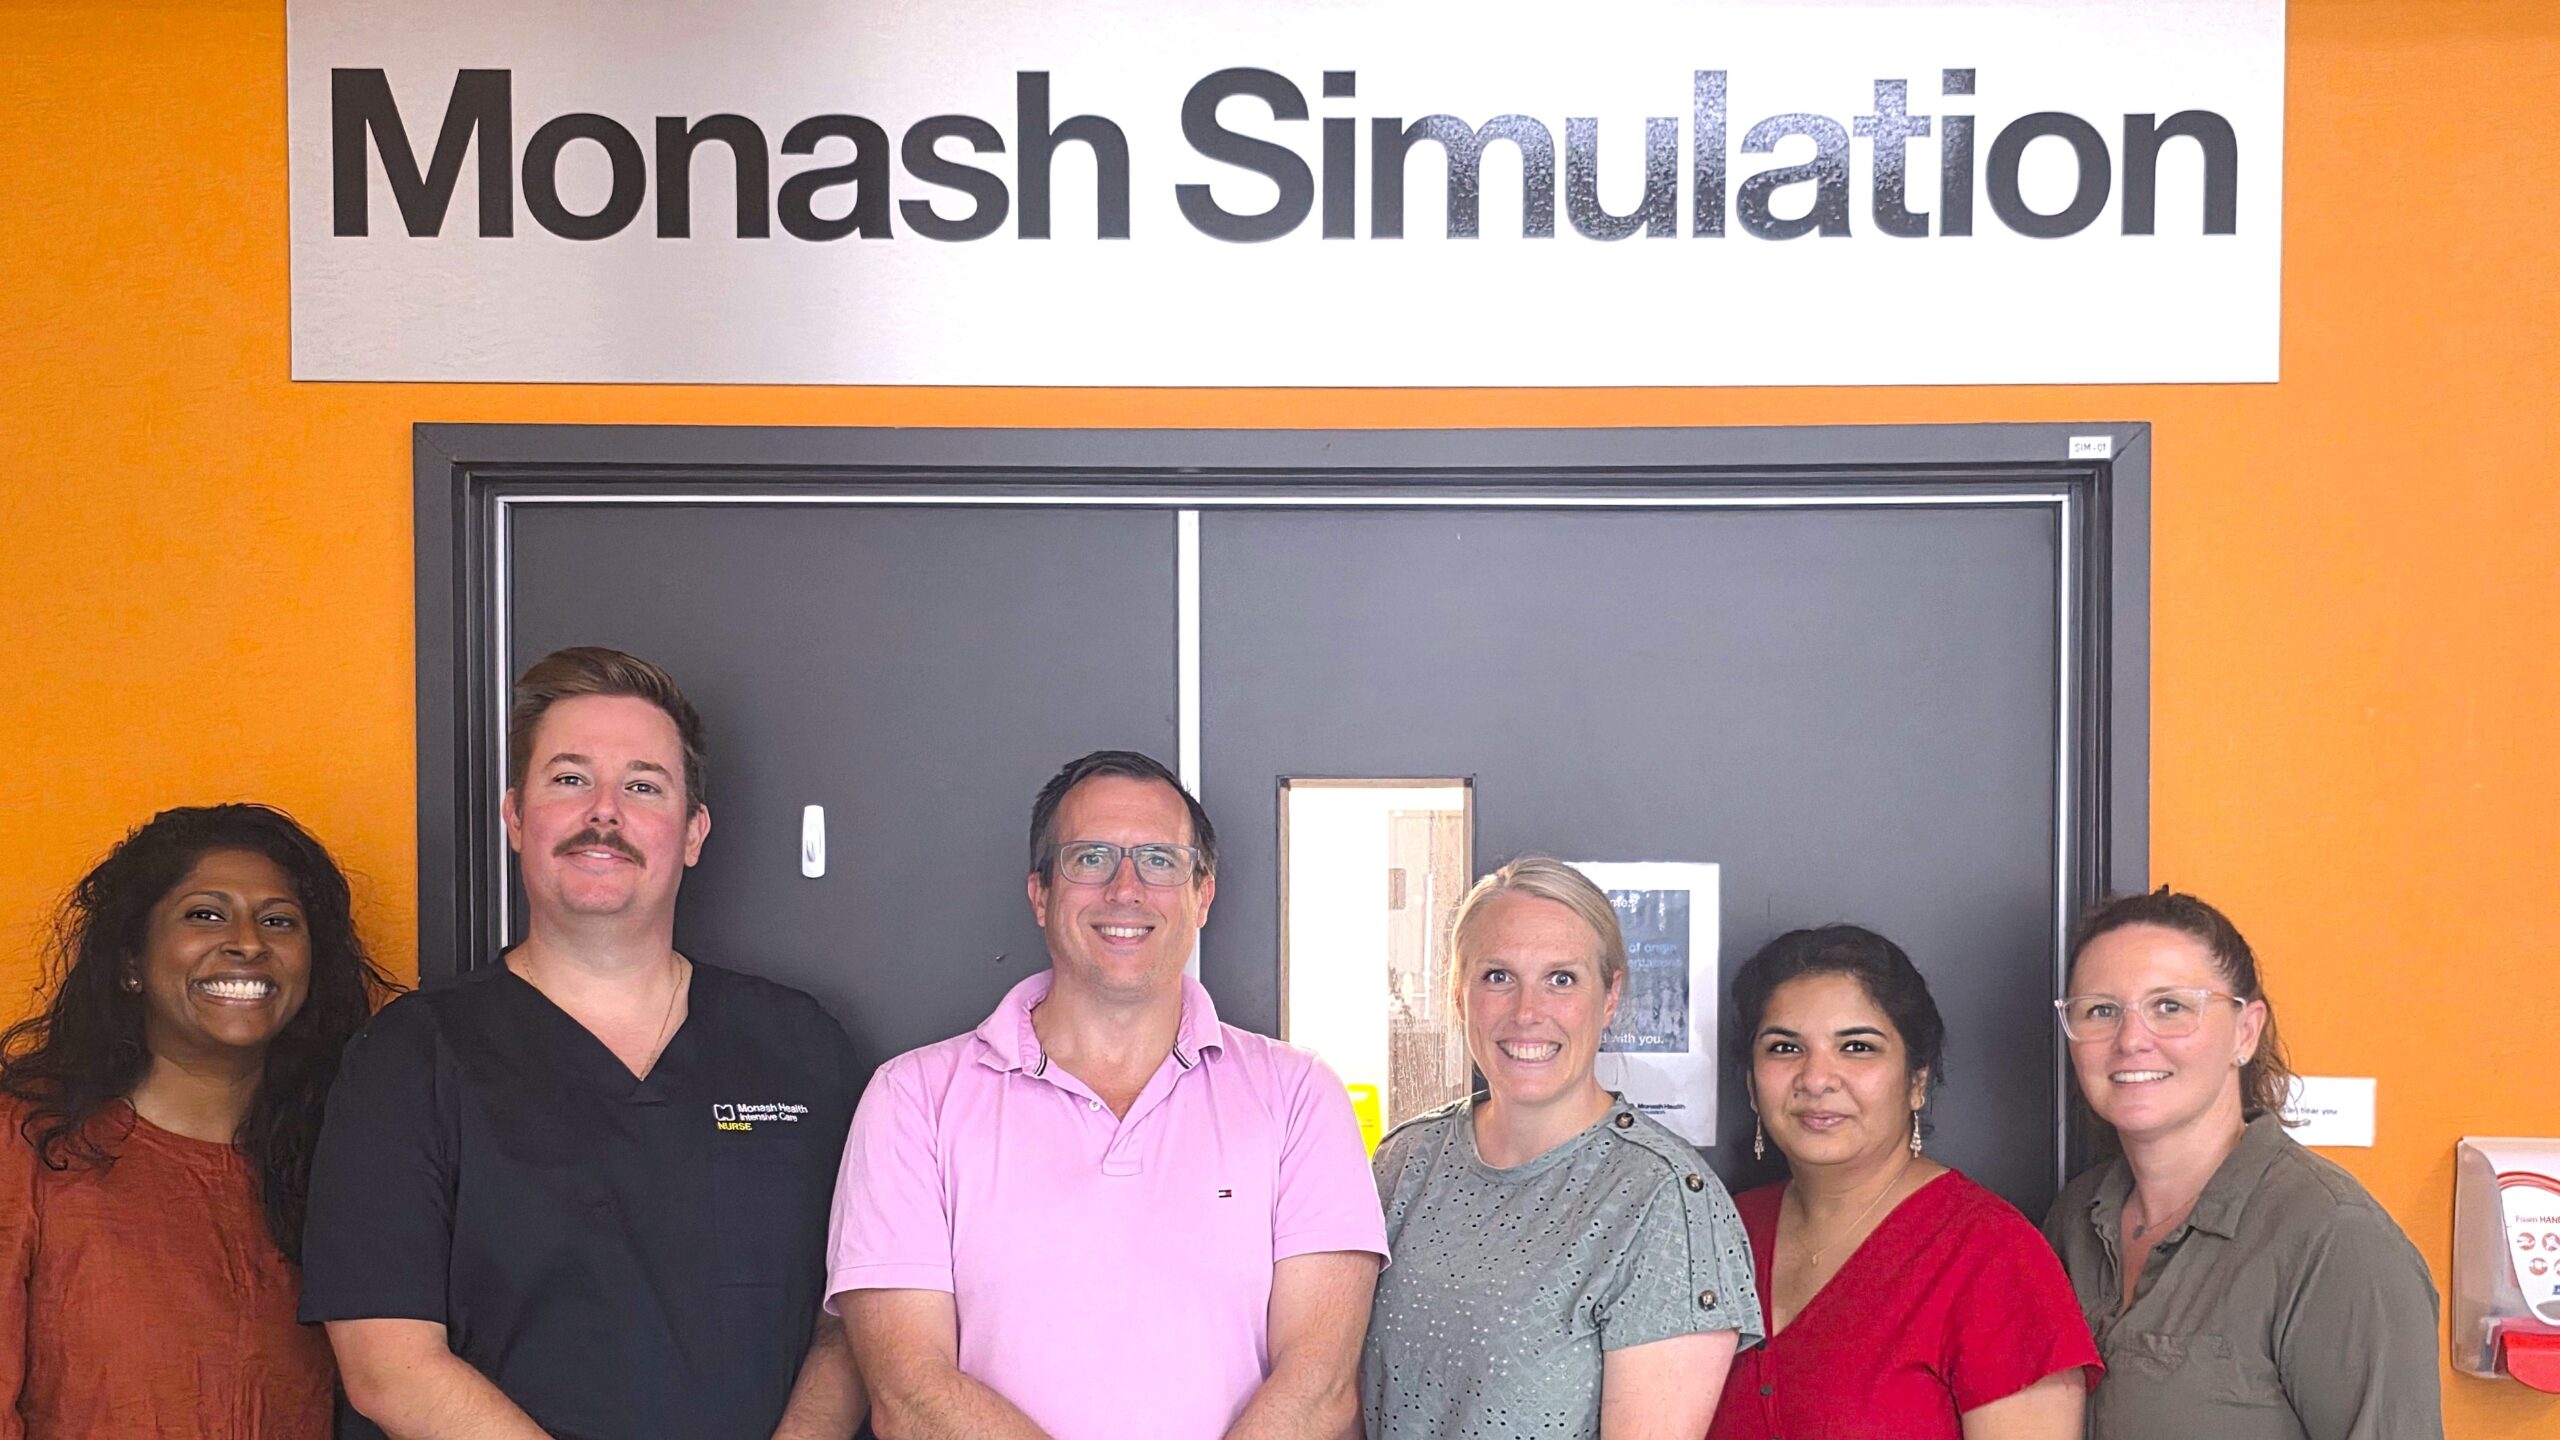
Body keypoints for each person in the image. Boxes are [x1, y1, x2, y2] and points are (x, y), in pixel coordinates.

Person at [301, 646, 868, 1440]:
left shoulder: (802, 1047)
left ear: (693, 833)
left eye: (643, 786)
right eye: (569, 779)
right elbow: (386, 1364)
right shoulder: (410, 1057)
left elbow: (853, 1319)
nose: (605, 812)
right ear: (515, 817)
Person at [829, 749, 1386, 1440]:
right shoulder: (913, 1101)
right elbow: (910, 1394)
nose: (1126, 889)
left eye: (1159, 860)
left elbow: (1320, 1386)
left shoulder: (1301, 1097)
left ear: (1202, 894)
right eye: (1090, 858)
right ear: (1041, 894)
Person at [0, 803, 397, 1439]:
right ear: (132, 959)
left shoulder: (347, 1161)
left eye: (278, 921)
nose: (248, 942)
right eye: (205, 914)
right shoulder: (26, 1140)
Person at [1361, 857, 1759, 1440]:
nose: (1527, 1012)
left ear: (1610, 996)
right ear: (1457, 993)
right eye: (1497, 976)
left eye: (1562, 979)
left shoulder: (1665, 1200)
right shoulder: (1402, 1162)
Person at [2043, 889, 2442, 1439]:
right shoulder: (2074, 1219)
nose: (2131, 1040)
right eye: (2101, 1011)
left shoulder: (2334, 1240)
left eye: (2171, 1007)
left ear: (2245, 1032)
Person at [1707, 925, 2098, 1440]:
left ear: (1916, 1081)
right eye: (1784, 1048)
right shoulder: (1718, 1233)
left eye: (1857, 1047)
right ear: (1752, 1086)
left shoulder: (1992, 1255)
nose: (1817, 1078)